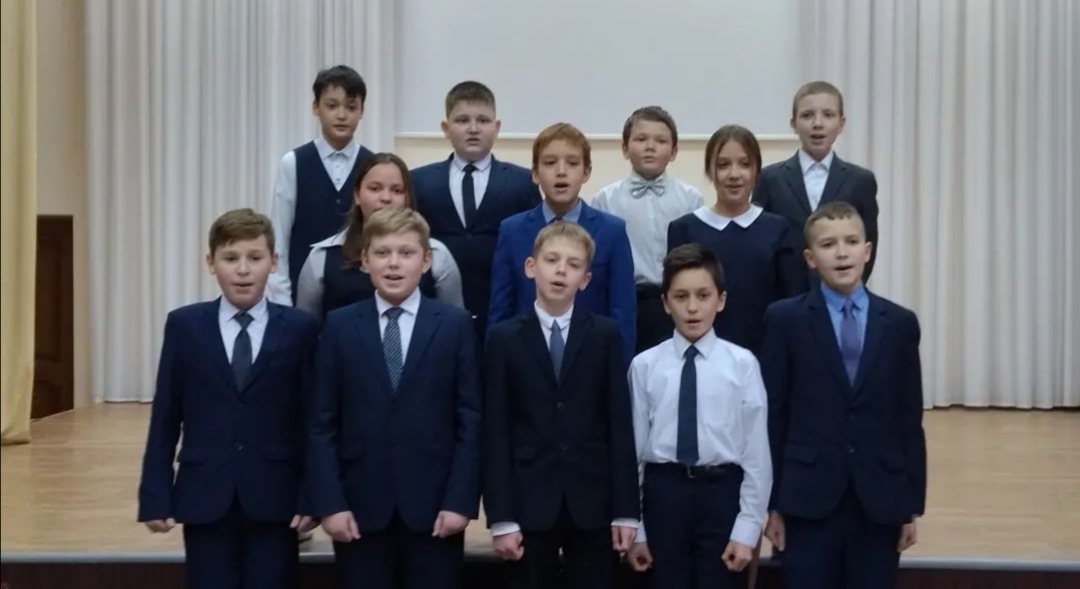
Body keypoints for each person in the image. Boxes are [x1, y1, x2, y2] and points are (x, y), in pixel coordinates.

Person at [137, 208, 319, 589]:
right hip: (205, 493)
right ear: (211, 262)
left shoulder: (300, 329)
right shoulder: (185, 326)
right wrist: (154, 493)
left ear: (273, 262)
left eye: (255, 258)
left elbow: (311, 420)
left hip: (276, 496)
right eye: (231, 258)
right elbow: (166, 414)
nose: (243, 270)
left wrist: (310, 496)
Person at [307, 207, 482, 589]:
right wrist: (330, 504)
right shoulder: (339, 326)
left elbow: (469, 420)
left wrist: (460, 501)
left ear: (426, 261)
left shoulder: (454, 326)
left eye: (406, 253)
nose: (393, 263)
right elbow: (322, 423)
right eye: (382, 253)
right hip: (359, 510)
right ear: (364, 260)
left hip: (435, 510)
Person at [761, 201, 925, 589]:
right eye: (828, 244)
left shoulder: (899, 324)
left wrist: (910, 505)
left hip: (879, 499)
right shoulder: (785, 319)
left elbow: (908, 418)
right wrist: (771, 502)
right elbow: (773, 414)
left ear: (867, 251)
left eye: (851, 242)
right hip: (807, 497)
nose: (841, 252)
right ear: (810, 258)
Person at [483, 220, 639, 589]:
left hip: (593, 501)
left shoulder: (604, 335)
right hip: (528, 501)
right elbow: (496, 430)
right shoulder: (504, 339)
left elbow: (619, 423)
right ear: (530, 267)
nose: (561, 271)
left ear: (585, 279)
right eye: (552, 260)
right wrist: (501, 517)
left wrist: (626, 511)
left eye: (573, 265)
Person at [626, 243, 772, 589]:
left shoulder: (742, 364)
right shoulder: (645, 366)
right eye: (681, 297)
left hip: (722, 494)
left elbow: (756, 454)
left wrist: (747, 529)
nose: (692, 307)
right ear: (665, 303)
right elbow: (633, 453)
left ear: (720, 300)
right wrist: (637, 531)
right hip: (664, 494)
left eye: (703, 296)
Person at [488, 122, 636, 365]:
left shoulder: (612, 232)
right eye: (549, 163)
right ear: (535, 174)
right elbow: (500, 310)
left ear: (586, 172)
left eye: (572, 163)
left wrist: (618, 371)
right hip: (526, 363)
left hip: (591, 364)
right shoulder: (512, 231)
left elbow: (623, 313)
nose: (561, 171)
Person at [411, 81, 541, 341]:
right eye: (462, 120)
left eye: (483, 120)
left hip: (503, 312)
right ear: (446, 128)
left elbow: (534, 245)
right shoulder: (419, 181)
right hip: (435, 311)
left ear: (497, 127)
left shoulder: (522, 182)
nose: (473, 129)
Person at [668, 124, 807, 356]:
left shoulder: (777, 229)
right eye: (723, 165)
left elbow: (791, 302)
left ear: (756, 172)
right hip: (701, 356)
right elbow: (677, 301)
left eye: (744, 164)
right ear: (710, 171)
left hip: (765, 354)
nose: (734, 174)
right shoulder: (685, 229)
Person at [295, 153, 464, 323]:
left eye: (397, 190)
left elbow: (453, 323)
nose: (386, 198)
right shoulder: (323, 256)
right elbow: (307, 328)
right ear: (357, 195)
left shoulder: (436, 254)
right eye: (375, 188)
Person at [592, 106, 703, 353]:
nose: (650, 147)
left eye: (660, 141)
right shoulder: (605, 200)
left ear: (674, 151)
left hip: (676, 300)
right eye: (641, 139)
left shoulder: (691, 199)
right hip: (624, 300)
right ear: (624, 148)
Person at [753, 80, 880, 283]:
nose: (818, 124)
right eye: (807, 115)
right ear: (794, 123)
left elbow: (868, 243)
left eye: (828, 115)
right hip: (785, 295)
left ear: (841, 123)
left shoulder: (861, 181)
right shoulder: (769, 179)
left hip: (840, 292)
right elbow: (762, 244)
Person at [268, 65, 374, 304]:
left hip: (359, 292)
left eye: (351, 107)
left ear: (361, 111)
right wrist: (282, 299)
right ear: (316, 107)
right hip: (301, 291)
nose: (341, 115)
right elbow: (279, 238)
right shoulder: (293, 163)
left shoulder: (373, 165)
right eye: (332, 105)